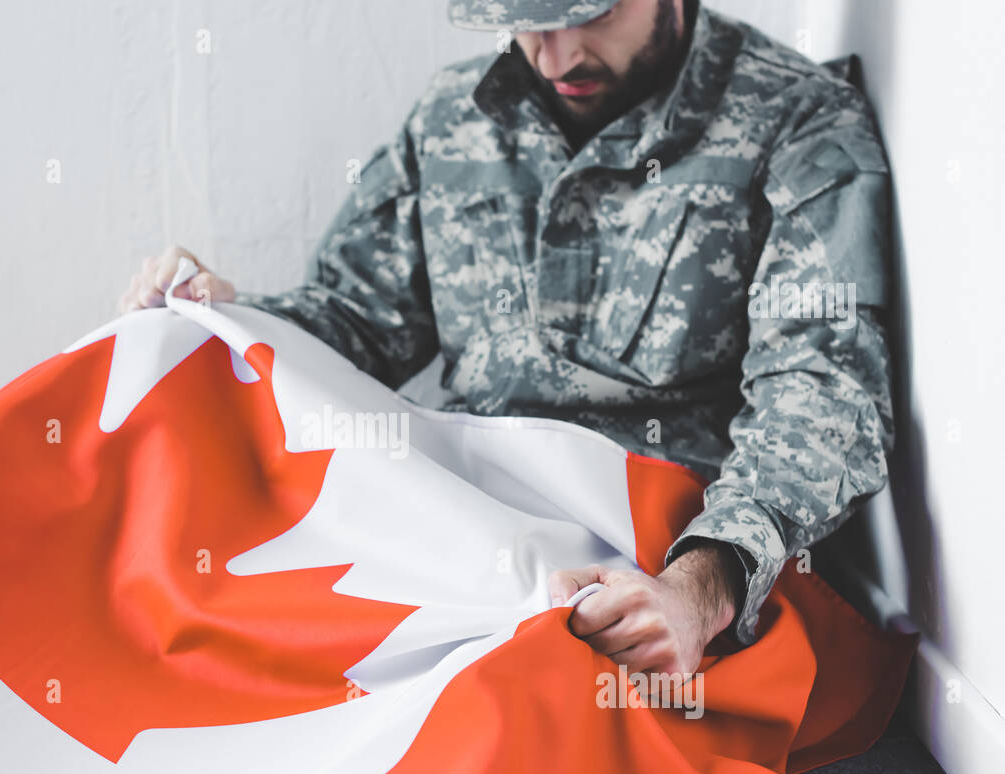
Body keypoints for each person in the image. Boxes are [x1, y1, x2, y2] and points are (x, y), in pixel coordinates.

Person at [116, 0, 894, 679]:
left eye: (589, 12)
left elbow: (823, 394)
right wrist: (218, 319)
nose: (554, 55)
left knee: (510, 740)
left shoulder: (798, 119)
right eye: (524, 17)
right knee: (213, 641)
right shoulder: (453, 115)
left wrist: (701, 586)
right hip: (459, 530)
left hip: (652, 553)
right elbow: (352, 321)